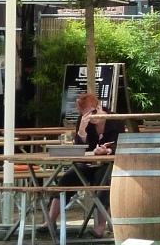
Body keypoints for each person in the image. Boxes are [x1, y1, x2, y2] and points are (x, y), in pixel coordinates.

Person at [45, 91, 121, 237]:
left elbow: (119, 143)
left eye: (93, 112)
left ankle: (101, 226)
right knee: (66, 179)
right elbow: (79, 149)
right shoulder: (84, 122)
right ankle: (50, 221)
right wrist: (81, 131)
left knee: (103, 182)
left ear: (99, 106)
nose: (91, 117)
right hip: (88, 163)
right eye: (86, 114)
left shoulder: (115, 119)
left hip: (108, 164)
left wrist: (107, 150)